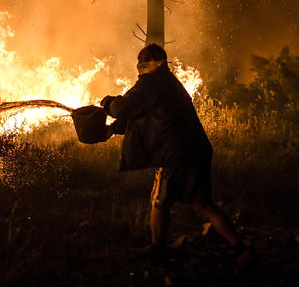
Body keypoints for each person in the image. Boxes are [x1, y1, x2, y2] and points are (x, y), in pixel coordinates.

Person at [100, 43, 254, 270]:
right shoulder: (169, 83)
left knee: (159, 201)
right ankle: (242, 250)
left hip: (175, 154)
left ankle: (157, 250)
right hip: (196, 150)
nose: (142, 69)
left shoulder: (152, 84)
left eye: (144, 64)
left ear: (149, 65)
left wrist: (107, 103)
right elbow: (147, 115)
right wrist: (114, 129)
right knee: (203, 203)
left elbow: (122, 108)